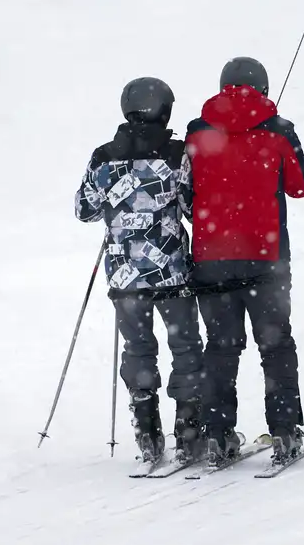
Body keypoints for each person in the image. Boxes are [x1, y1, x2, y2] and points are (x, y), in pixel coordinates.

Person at [179, 56, 304, 465]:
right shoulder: (278, 130)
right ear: (264, 87)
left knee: (221, 348)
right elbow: (302, 185)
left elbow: (184, 195)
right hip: (265, 259)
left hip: (211, 260)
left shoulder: (196, 133)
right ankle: (285, 432)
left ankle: (218, 435)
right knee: (275, 346)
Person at [74, 77, 206, 466]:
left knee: (138, 348)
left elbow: (85, 209)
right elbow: (189, 205)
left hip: (125, 277)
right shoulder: (175, 154)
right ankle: (189, 430)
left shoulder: (103, 156)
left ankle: (147, 430)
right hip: (172, 274)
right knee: (184, 347)